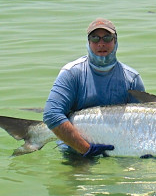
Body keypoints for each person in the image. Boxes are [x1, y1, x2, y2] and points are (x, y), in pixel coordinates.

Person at [43, 18, 145, 157]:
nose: (101, 44)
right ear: (88, 42)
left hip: (118, 150)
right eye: (95, 38)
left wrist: (145, 150)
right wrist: (86, 149)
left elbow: (141, 124)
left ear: (115, 41)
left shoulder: (132, 78)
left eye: (107, 38)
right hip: (75, 150)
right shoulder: (72, 73)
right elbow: (51, 114)